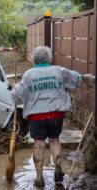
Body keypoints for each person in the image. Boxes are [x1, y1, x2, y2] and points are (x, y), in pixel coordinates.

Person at [12, 46, 93, 187]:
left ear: (33, 61)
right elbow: (76, 78)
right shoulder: (58, 71)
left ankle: (39, 178)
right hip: (56, 115)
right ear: (50, 59)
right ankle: (58, 165)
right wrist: (84, 78)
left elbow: (16, 97)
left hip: (36, 117)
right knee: (54, 140)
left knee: (39, 144)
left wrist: (14, 88)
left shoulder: (28, 75)